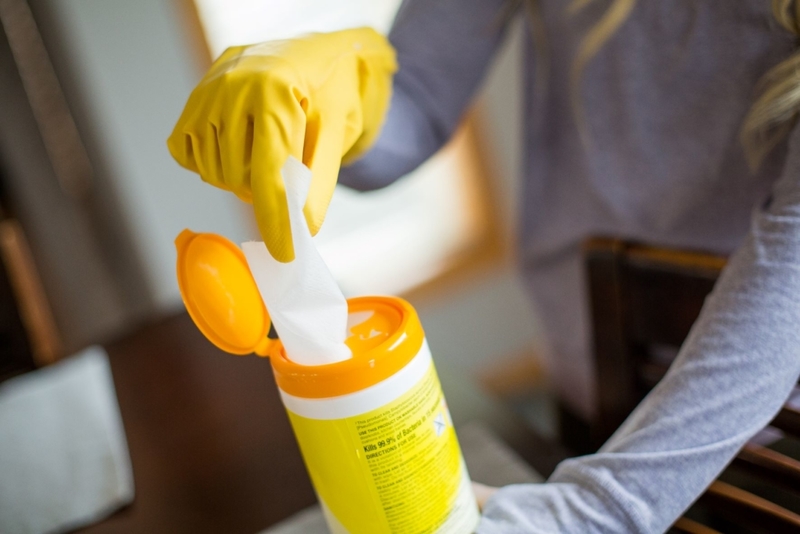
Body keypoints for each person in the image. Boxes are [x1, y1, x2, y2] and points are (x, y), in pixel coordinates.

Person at [167, 1, 800, 531]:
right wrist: (334, 99)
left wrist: (593, 510)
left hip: (761, 436)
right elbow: (415, 97)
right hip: (586, 381)